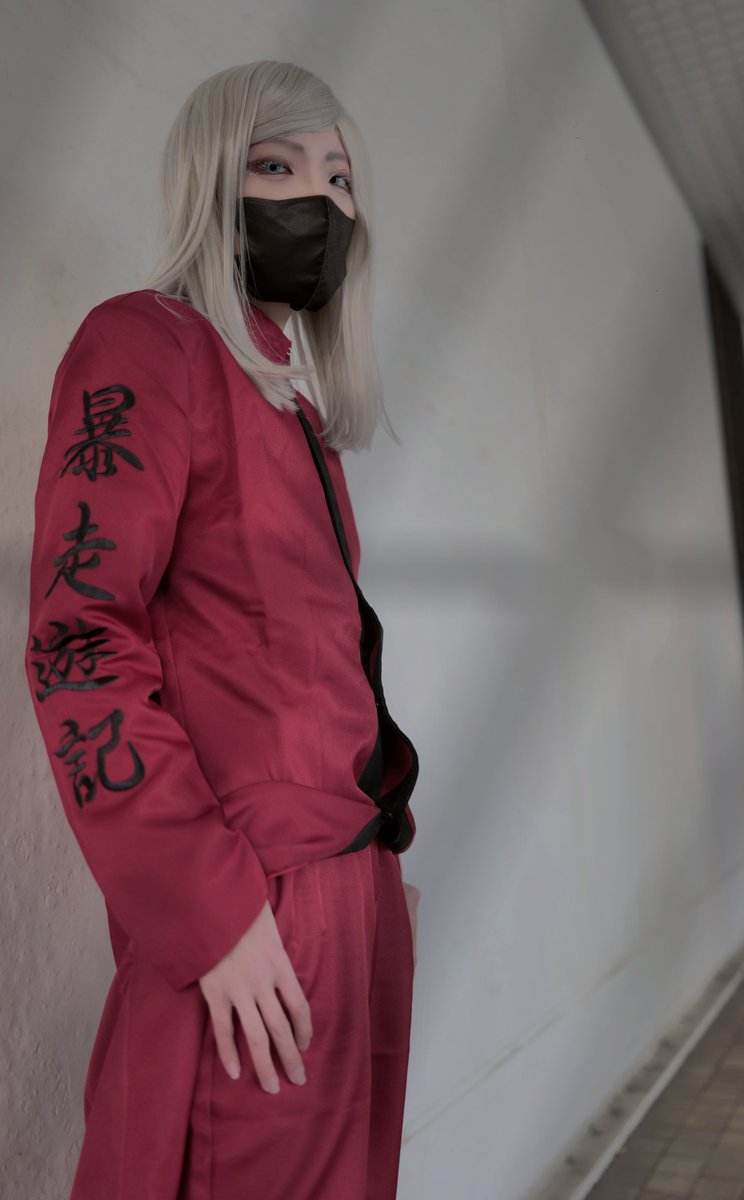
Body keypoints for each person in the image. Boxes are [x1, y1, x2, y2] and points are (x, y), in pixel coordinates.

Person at [24, 59, 421, 1200]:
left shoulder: (296, 412)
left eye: (339, 178)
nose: (321, 200)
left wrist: (379, 868)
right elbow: (79, 641)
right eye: (278, 166)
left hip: (353, 896)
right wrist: (211, 914)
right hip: (254, 913)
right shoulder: (146, 346)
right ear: (212, 181)